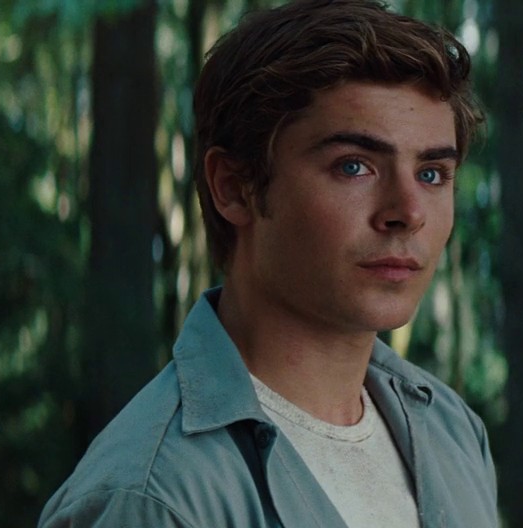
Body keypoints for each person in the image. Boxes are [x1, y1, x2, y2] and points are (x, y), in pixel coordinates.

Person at [39, 1, 496, 526]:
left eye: (432, 174)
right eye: (354, 166)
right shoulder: (153, 497)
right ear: (234, 187)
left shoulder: (451, 429)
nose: (408, 213)